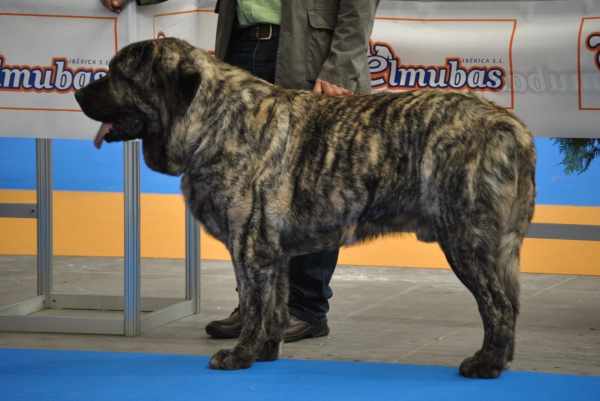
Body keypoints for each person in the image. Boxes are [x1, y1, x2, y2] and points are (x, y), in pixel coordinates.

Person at [101, 0, 379, 342]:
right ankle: (255, 309)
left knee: (309, 187)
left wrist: (341, 66)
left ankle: (305, 309)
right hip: (241, 45)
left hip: (309, 50)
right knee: (242, 196)